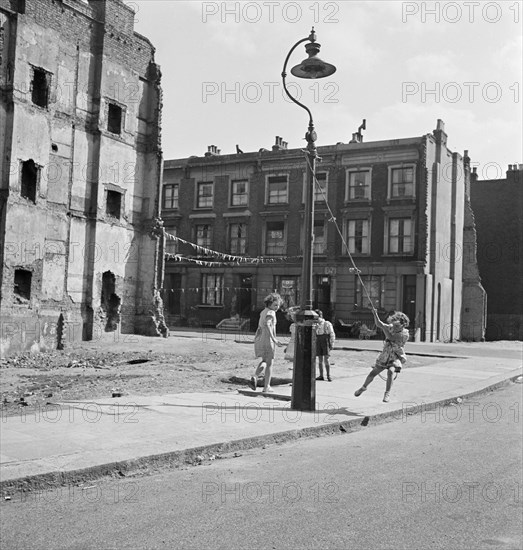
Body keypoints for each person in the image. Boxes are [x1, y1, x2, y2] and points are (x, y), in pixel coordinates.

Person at [354, 309, 410, 402]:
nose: (394, 327)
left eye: (397, 326)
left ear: (403, 325)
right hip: (385, 354)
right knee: (372, 373)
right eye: (394, 325)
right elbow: (379, 324)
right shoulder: (392, 327)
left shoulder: (404, 334)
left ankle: (387, 393)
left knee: (391, 372)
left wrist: (384, 328)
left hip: (395, 355)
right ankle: (363, 387)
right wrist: (375, 314)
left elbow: (391, 337)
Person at [250, 293, 285, 393]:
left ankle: (255, 376)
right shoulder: (271, 312)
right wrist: (274, 339)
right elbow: (268, 324)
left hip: (260, 339)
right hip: (267, 340)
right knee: (270, 363)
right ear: (269, 304)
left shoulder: (263, 312)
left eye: (278, 305)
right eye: (275, 305)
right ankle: (266, 386)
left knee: (264, 361)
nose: (277, 307)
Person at [315, 310, 335, 381]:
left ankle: (328, 375)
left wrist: (332, 343)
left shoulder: (327, 324)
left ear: (320, 316)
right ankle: (321, 375)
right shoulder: (315, 325)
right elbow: (314, 335)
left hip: (325, 341)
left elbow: (332, 334)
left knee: (326, 358)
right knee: (320, 359)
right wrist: (315, 329)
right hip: (318, 341)